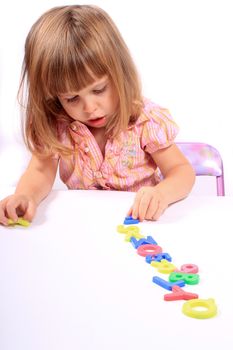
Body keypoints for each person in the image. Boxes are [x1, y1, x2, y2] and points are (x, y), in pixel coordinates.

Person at [0, 5, 195, 226]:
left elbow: (182, 171)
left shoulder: (145, 120)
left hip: (143, 226)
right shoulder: (58, 125)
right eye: (72, 98)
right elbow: (40, 170)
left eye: (99, 89)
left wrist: (161, 194)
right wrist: (26, 196)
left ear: (120, 72)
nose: (90, 107)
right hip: (88, 228)